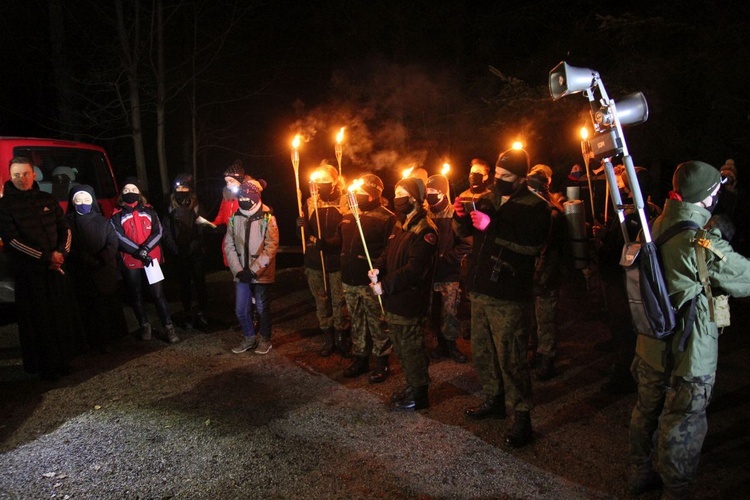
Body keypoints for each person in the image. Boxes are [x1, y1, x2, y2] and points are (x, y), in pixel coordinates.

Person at [628, 160, 750, 499]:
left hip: (652, 340)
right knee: (682, 421)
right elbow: (745, 278)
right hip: (690, 350)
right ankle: (676, 491)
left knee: (646, 409)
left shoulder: (653, 225)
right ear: (709, 197)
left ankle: (638, 472)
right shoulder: (702, 242)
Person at [453, 147, 550, 448]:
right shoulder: (488, 198)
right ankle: (494, 400)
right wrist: (461, 218)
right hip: (481, 289)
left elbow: (531, 245)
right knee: (482, 352)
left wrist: (492, 226)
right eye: (497, 175)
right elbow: (469, 234)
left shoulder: (536, 206)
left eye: (506, 177)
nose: (499, 181)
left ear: (521, 178)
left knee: (511, 357)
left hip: (508, 295)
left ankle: (522, 417)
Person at [0, 157, 83, 380]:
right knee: (39, 321)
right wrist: (47, 258)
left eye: (25, 173)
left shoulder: (47, 199)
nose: (22, 179)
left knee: (59, 316)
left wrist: (61, 254)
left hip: (55, 271)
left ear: (34, 174)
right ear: (10, 176)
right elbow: (12, 241)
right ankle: (44, 366)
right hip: (30, 275)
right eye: (16, 175)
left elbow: (65, 229)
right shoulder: (5, 205)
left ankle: (63, 359)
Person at [370, 177, 438, 410]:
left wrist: (385, 285)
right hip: (394, 301)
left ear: (415, 198)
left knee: (412, 349)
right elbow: (389, 251)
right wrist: (378, 267)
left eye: (402, 193)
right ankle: (412, 384)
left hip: (410, 301)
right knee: (400, 347)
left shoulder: (425, 229)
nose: (397, 197)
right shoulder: (401, 223)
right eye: (396, 192)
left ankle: (420, 394)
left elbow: (415, 269)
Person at [326, 174, 396, 381]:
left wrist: (378, 269)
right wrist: (323, 242)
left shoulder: (386, 217)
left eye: (364, 193)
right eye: (358, 192)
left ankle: (382, 361)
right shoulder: (349, 215)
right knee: (357, 320)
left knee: (377, 321)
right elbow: (340, 240)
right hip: (349, 279)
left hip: (370, 281)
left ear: (375, 196)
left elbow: (389, 248)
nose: (359, 196)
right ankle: (361, 357)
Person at [110, 176, 178, 343]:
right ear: (121, 193)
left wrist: (145, 249)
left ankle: (168, 327)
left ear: (139, 192)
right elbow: (118, 236)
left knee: (158, 294)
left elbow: (158, 232)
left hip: (150, 259)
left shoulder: (149, 210)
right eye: (126, 190)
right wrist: (137, 251)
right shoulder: (117, 214)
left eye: (134, 190)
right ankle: (144, 325)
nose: (130, 193)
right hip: (130, 260)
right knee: (136, 294)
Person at [297, 162, 350, 357]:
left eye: (325, 181)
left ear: (335, 182)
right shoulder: (311, 202)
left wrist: (330, 243)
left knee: (339, 299)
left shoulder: (344, 202)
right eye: (317, 181)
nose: (320, 184)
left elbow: (348, 230)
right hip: (315, 260)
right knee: (321, 299)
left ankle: (341, 335)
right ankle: (327, 335)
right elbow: (304, 235)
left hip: (336, 260)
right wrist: (301, 226)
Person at [66, 184, 127, 352]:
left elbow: (112, 242)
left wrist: (101, 258)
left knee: (107, 306)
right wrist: (85, 259)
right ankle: (91, 343)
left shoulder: (103, 221)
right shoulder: (68, 223)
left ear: (92, 200)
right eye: (78, 200)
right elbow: (68, 246)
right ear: (73, 201)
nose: (83, 203)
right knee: (88, 309)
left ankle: (112, 340)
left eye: (86, 199)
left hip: (103, 270)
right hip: (82, 271)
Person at [226, 178, 278, 355]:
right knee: (241, 309)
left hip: (260, 274)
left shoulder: (268, 218)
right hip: (241, 273)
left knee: (263, 308)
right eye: (240, 198)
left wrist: (254, 270)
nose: (242, 201)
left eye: (246, 198)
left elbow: (271, 246)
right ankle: (249, 337)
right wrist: (238, 270)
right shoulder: (235, 218)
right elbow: (229, 245)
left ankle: (265, 339)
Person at [526, 164, 567, 381]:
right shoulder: (536, 211)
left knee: (545, 319)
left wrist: (538, 276)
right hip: (533, 274)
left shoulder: (551, 214)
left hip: (546, 276)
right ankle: (536, 353)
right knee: (533, 318)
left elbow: (547, 251)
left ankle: (547, 359)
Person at [425, 173, 470, 364]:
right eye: (427, 192)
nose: (430, 196)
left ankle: (452, 344)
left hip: (448, 273)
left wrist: (448, 258)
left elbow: (467, 244)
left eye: (433, 192)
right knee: (434, 311)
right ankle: (440, 343)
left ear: (443, 193)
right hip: (430, 274)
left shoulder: (454, 214)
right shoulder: (425, 214)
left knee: (450, 311)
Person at [161, 173, 209, 330]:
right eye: (179, 187)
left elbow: (202, 229)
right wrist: (175, 249)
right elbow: (166, 231)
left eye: (185, 187)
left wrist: (192, 247)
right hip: (179, 253)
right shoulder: (170, 208)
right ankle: (187, 312)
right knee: (184, 285)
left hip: (195, 253)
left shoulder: (197, 206)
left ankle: (202, 313)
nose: (182, 190)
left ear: (190, 189)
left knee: (200, 283)